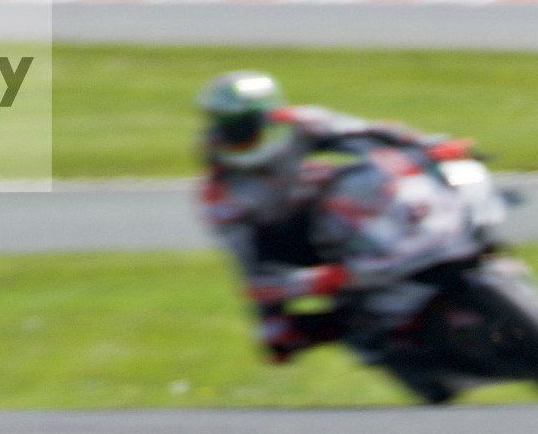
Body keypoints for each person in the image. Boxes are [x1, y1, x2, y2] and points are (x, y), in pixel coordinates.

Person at [195, 70, 481, 395]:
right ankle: (387, 344)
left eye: (243, 126)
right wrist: (273, 316)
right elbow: (248, 264)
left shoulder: (301, 122)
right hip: (297, 249)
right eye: (227, 126)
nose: (234, 135)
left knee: (381, 175)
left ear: (269, 116)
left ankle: (440, 235)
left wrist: (433, 146)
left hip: (330, 203)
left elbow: (370, 132)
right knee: (284, 338)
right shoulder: (219, 192)